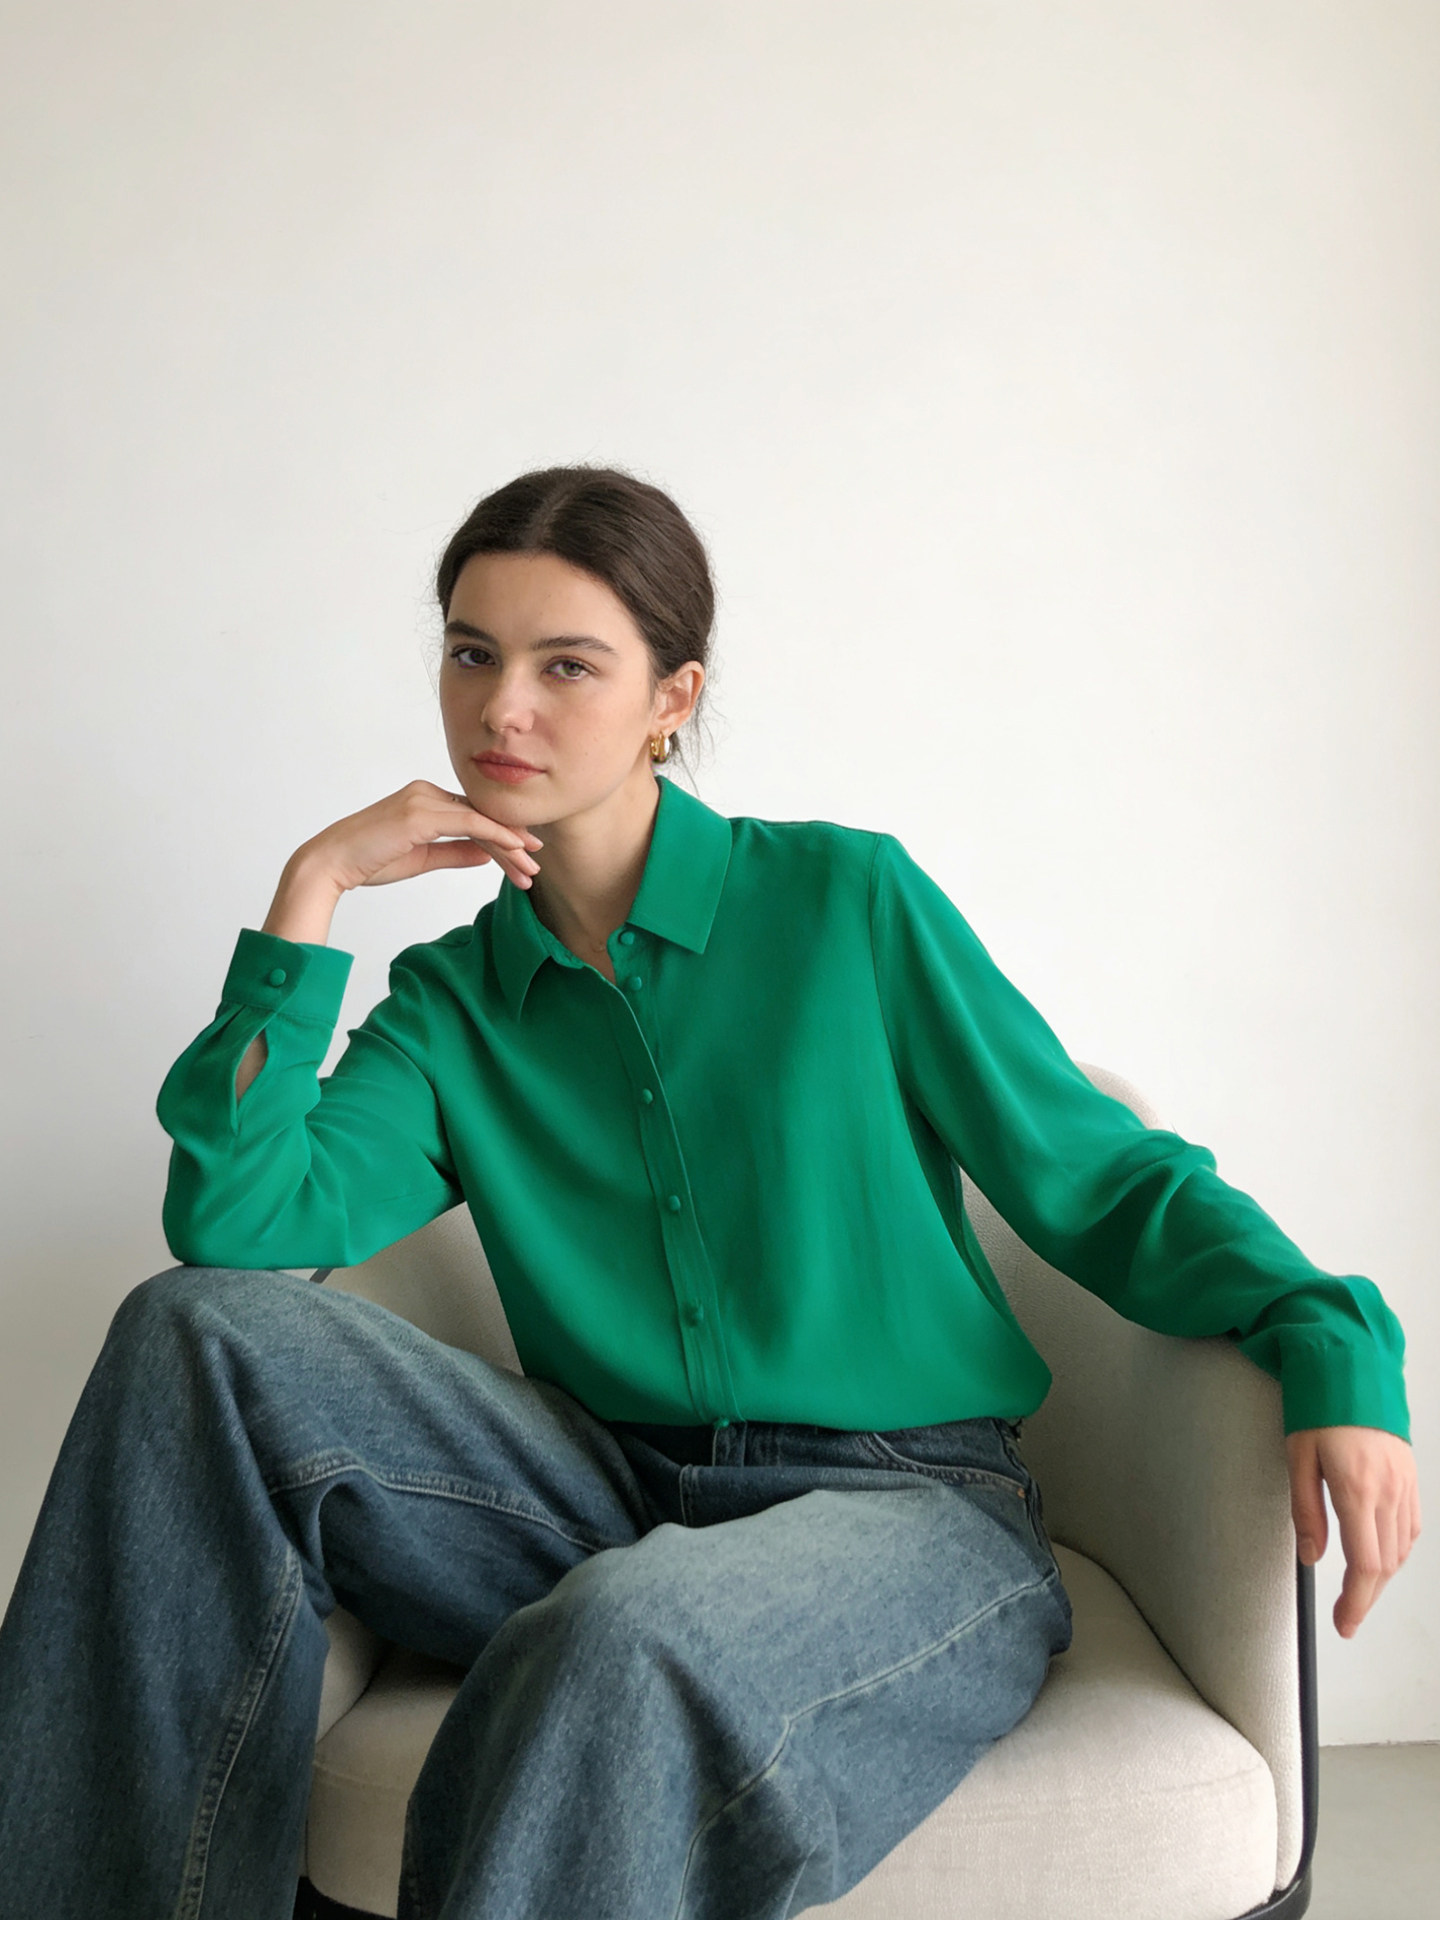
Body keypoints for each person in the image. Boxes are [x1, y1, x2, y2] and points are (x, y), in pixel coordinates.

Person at [0, 465, 1419, 1921]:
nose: (502, 710)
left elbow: (1100, 1176)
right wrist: (313, 891)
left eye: (567, 666)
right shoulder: (451, 1005)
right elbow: (237, 1224)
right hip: (599, 1494)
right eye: (473, 654)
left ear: (671, 698)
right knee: (190, 1333)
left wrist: (1332, 1337)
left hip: (905, 1510)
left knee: (628, 1631)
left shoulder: (846, 903)